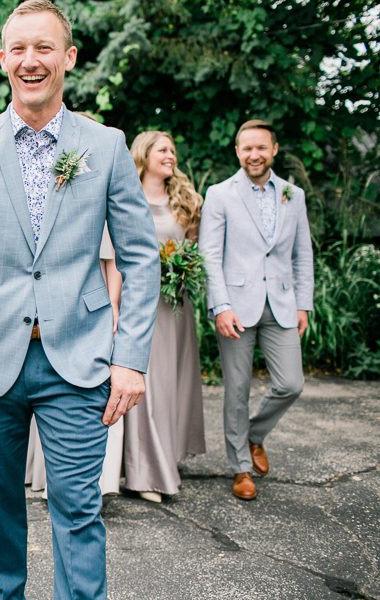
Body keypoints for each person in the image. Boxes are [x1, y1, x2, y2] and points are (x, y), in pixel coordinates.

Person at [0, 1, 161, 597]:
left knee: (79, 515)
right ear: (3, 58)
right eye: (18, 49)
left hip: (80, 359)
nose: (30, 61)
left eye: (44, 48)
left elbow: (140, 256)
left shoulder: (107, 145)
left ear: (69, 58)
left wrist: (131, 358)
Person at [199, 119, 314, 501]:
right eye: (247, 148)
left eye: (261, 148)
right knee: (237, 389)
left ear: (274, 150)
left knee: (290, 384)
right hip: (235, 308)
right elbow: (210, 256)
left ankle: (253, 435)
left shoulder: (292, 196)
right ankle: (240, 468)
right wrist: (221, 305)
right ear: (237, 152)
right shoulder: (220, 194)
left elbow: (303, 255)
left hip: (281, 305)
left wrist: (303, 305)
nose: (254, 155)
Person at [122, 131, 206, 503]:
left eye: (173, 150)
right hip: (139, 302)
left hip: (175, 303)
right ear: (144, 154)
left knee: (173, 381)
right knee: (147, 382)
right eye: (163, 150)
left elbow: (193, 247)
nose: (170, 156)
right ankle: (144, 472)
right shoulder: (126, 195)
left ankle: (167, 455)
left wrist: (183, 266)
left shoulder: (185, 201)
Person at [26, 228, 123, 497]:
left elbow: (116, 254)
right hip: (34, 311)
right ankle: (48, 480)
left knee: (97, 404)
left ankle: (99, 484)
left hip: (90, 314)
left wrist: (113, 303)